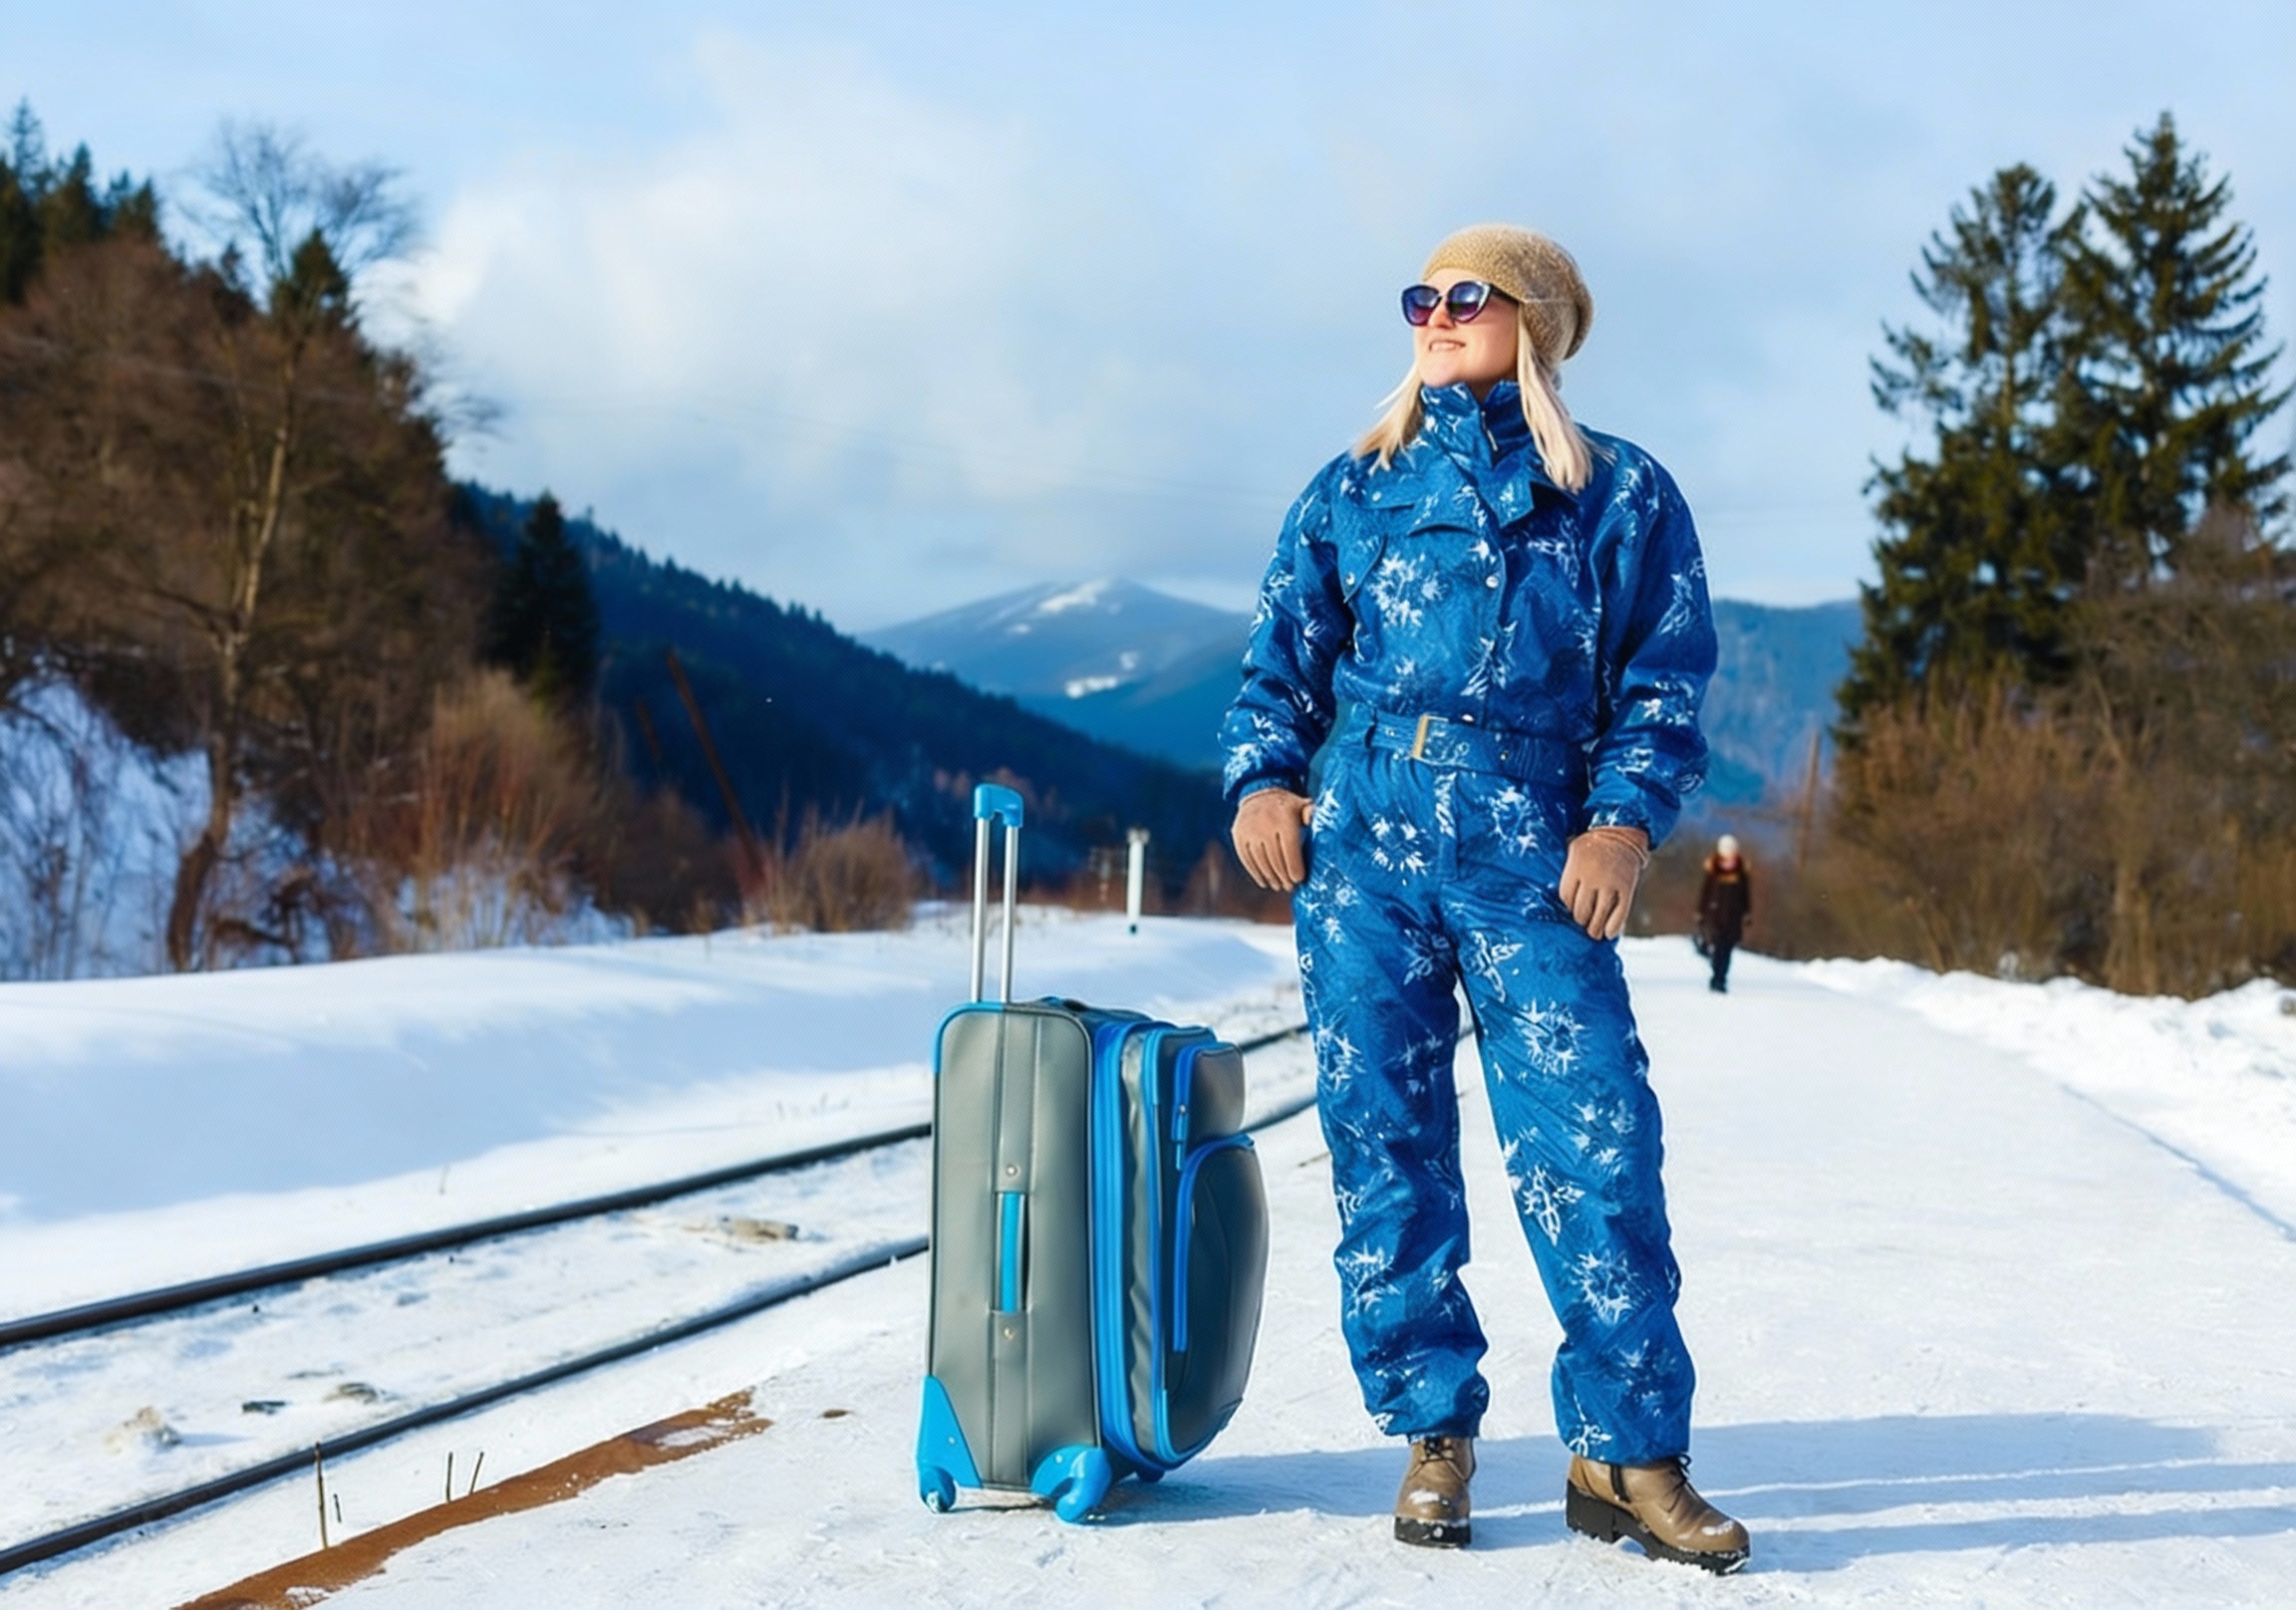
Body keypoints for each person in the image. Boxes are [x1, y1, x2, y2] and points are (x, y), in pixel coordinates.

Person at [1221, 224, 1749, 1574]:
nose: (1436, 314)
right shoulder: (1357, 486)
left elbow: (1664, 680)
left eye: (1469, 295)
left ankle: (1629, 1453)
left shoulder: (1619, 496)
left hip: (1533, 849)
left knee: (1596, 1144)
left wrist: (1624, 823)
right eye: (1422, 296)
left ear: (1539, 322)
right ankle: (1432, 1432)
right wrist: (1262, 785)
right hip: (1365, 857)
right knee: (1383, 1145)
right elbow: (1281, 656)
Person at [1696, 834, 1754, 992]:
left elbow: (1745, 893)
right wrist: (1701, 911)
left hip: (1733, 916)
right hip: (1714, 915)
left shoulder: (1741, 870)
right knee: (1717, 946)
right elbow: (1706, 891)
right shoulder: (1713, 868)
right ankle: (1716, 975)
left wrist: (1747, 912)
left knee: (1727, 949)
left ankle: (1721, 977)